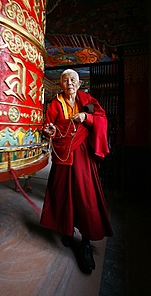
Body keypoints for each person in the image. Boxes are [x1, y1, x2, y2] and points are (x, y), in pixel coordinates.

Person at [40, 69, 113, 274]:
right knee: (62, 194)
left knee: (85, 194)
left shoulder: (87, 99)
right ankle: (67, 230)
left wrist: (87, 117)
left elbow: (101, 118)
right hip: (63, 155)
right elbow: (48, 126)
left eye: (73, 79)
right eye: (65, 80)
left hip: (82, 154)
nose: (69, 83)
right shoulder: (55, 104)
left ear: (79, 83)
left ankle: (86, 240)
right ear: (60, 85)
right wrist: (49, 131)